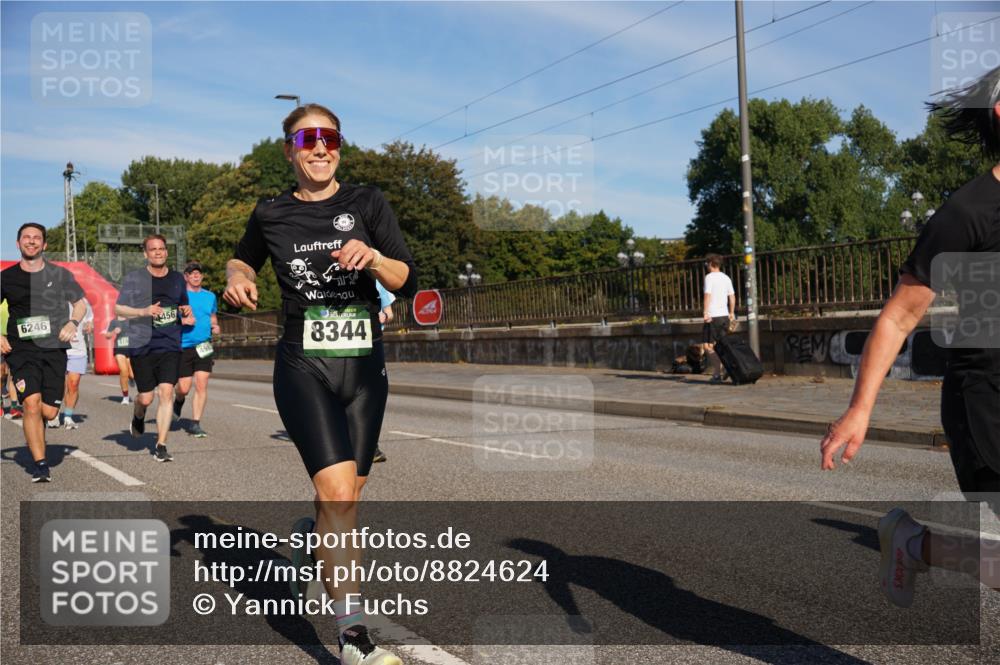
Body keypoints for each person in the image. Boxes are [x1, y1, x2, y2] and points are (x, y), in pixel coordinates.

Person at [224, 103, 417, 665]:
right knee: (337, 493)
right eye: (306, 137)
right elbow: (241, 262)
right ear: (289, 148)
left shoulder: (367, 202)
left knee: (346, 498)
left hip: (363, 367)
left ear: (340, 146)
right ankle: (353, 636)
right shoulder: (270, 213)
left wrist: (375, 258)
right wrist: (238, 281)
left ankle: (313, 536)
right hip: (303, 365)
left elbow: (407, 278)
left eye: (329, 137)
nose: (319, 147)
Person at [821, 65, 1000, 606]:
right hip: (987, 402)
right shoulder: (967, 213)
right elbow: (899, 316)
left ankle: (915, 545)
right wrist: (859, 408)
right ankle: (915, 545)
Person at [0, 223, 87, 482]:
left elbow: (79, 305)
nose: (31, 241)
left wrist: (73, 323)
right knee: (30, 404)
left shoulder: (59, 274)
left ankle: (40, 437)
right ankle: (40, 464)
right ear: (18, 244)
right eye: (26, 237)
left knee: (48, 412)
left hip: (54, 349)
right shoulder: (6, 277)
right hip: (21, 349)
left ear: (44, 244)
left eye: (37, 238)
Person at [115, 234, 193, 462]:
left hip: (170, 343)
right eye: (153, 249)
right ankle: (138, 415)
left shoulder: (178, 278)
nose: (158, 252)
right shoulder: (135, 278)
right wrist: (142, 312)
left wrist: (185, 311)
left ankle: (161, 444)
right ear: (145, 254)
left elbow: (183, 304)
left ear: (166, 252)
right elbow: (119, 309)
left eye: (161, 248)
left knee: (167, 392)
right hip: (142, 345)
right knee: (146, 398)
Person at [173, 261, 220, 438]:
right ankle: (178, 400)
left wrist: (215, 325)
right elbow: (167, 320)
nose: (195, 275)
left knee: (202, 383)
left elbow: (213, 316)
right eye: (192, 273)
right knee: (184, 388)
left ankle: (195, 423)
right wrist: (183, 321)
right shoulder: (179, 296)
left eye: (198, 273)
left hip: (204, 344)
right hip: (184, 345)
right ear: (186, 276)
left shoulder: (210, 296)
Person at [48, 300, 94, 429]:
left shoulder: (83, 303)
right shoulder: (52, 300)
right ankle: (54, 414)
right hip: (58, 348)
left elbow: (90, 320)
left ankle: (68, 416)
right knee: (57, 384)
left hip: (77, 350)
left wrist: (90, 325)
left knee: (73, 384)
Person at [371, 282, 396, 464]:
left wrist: (382, 317)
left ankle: (371, 446)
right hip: (341, 348)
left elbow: (390, 314)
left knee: (372, 395)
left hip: (372, 342)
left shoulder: (377, 281)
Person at [701, 254, 735, 383]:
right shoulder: (726, 278)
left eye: (707, 264)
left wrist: (705, 312)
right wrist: (731, 312)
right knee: (721, 345)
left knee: (708, 346)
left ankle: (718, 372)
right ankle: (727, 367)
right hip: (724, 316)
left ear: (710, 264)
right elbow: (732, 297)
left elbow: (707, 295)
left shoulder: (709, 277)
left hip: (713, 316)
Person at [103, 317, 134, 404]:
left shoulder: (132, 319)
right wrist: (113, 332)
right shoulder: (114, 321)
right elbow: (107, 336)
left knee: (132, 374)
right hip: (119, 348)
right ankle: (125, 397)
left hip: (131, 349)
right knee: (123, 371)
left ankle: (131, 378)